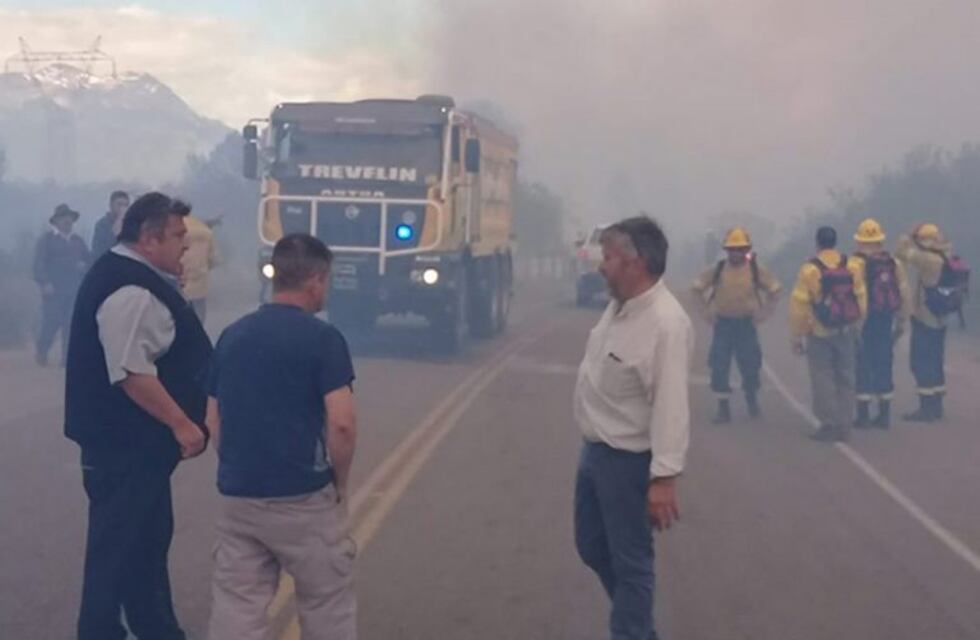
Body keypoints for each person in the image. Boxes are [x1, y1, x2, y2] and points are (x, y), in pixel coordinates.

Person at [64, 192, 212, 640]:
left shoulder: (139, 278)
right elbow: (131, 372)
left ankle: (156, 630)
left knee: (142, 547)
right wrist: (182, 424)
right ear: (149, 239)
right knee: (120, 551)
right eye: (178, 237)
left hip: (134, 448)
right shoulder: (131, 291)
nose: (185, 246)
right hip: (126, 448)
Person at [207, 234, 357, 640]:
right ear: (316, 279)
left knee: (238, 604)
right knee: (326, 602)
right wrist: (339, 484)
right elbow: (342, 423)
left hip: (239, 493)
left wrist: (237, 464)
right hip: (302, 498)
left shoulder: (232, 336)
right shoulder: (324, 340)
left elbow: (214, 417)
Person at [573, 216, 693, 640]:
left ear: (635, 262)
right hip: (595, 452)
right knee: (591, 545)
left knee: (632, 565)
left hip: (628, 461)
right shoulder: (619, 304)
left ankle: (633, 631)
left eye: (609, 257)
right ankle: (638, 624)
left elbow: (671, 405)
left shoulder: (665, 322)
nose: (601, 265)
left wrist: (664, 479)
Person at [691, 226, 781, 423]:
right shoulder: (718, 270)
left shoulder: (756, 271)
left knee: (751, 366)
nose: (737, 253)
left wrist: (764, 313)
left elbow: (775, 290)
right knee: (719, 366)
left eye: (741, 249)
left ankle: (751, 400)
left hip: (746, 326)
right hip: (723, 325)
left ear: (747, 250)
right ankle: (723, 409)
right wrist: (706, 313)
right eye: (733, 249)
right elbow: (696, 288)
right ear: (727, 251)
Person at [789, 226, 867, 442]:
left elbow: (799, 304)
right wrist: (856, 325)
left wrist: (798, 334)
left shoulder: (809, 270)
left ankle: (828, 423)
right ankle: (845, 424)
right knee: (846, 377)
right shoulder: (852, 265)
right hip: (846, 329)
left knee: (822, 377)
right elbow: (861, 298)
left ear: (818, 243)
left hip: (820, 332)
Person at [851, 219, 911, 429]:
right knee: (884, 363)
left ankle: (863, 415)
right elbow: (904, 293)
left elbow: (853, 295)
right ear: (880, 240)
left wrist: (854, 323)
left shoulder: (855, 264)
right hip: (886, 318)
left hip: (863, 321)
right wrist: (902, 321)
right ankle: (884, 414)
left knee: (863, 365)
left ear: (859, 241)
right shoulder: (894, 263)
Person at [895, 223, 955, 422]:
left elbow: (902, 253)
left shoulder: (928, 260)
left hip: (926, 318)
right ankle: (937, 404)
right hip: (941, 318)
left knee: (920, 362)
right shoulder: (946, 255)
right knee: (936, 361)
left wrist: (907, 238)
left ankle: (926, 407)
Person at [33, 203, 90, 366]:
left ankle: (66, 359)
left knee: (70, 324)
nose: (67, 221)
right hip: (53, 290)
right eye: (63, 218)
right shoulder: (46, 240)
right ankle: (42, 350)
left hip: (74, 289)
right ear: (56, 221)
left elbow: (88, 261)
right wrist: (45, 283)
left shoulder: (78, 241)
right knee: (51, 323)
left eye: (69, 218)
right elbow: (39, 264)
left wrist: (83, 267)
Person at [180, 213, 219, 322]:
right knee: (199, 310)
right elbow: (214, 259)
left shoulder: (176, 231)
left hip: (181, 278)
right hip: (200, 279)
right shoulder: (206, 232)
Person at [91, 191, 130, 257]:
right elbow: (98, 249)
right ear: (111, 205)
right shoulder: (102, 224)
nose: (122, 208)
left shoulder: (129, 225)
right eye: (119, 204)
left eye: (125, 205)